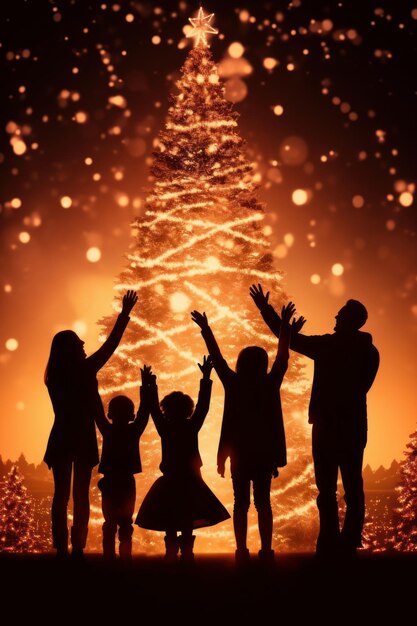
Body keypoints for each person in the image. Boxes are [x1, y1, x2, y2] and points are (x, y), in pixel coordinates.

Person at [249, 283, 380, 560]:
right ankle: (349, 540)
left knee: (327, 488)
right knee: (353, 484)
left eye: (340, 314)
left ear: (347, 320)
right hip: (354, 425)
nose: (334, 317)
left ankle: (328, 539)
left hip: (326, 425)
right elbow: (363, 388)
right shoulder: (369, 352)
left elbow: (292, 342)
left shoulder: (328, 346)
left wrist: (266, 310)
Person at [191, 301, 296, 566]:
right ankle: (267, 551)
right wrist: (284, 328)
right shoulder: (269, 384)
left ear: (242, 364)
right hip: (264, 454)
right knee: (264, 503)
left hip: (240, 453)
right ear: (262, 364)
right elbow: (282, 359)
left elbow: (218, 359)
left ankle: (241, 551)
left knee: (241, 504)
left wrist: (206, 329)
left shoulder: (234, 384)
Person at [43, 289, 138, 560]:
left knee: (60, 495)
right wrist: (124, 315)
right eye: (79, 343)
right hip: (82, 437)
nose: (84, 345)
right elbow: (110, 346)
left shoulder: (54, 377)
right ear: (72, 350)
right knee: (80, 495)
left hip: (61, 436)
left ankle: (61, 546)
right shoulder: (84, 371)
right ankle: (78, 547)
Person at [135, 356, 230, 564]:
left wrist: (149, 385)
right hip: (190, 481)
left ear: (165, 410)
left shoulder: (165, 427)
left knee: (170, 517)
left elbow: (152, 408)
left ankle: (171, 552)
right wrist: (206, 378)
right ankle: (187, 552)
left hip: (170, 480)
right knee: (187, 517)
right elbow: (203, 407)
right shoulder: (191, 426)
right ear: (188, 410)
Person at [94, 365, 153, 562]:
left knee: (109, 521)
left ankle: (109, 556)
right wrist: (146, 385)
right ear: (131, 415)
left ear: (111, 414)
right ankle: (125, 555)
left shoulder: (108, 430)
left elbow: (96, 411)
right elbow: (145, 411)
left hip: (110, 482)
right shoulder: (133, 430)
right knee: (125, 522)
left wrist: (93, 386)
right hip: (126, 482)